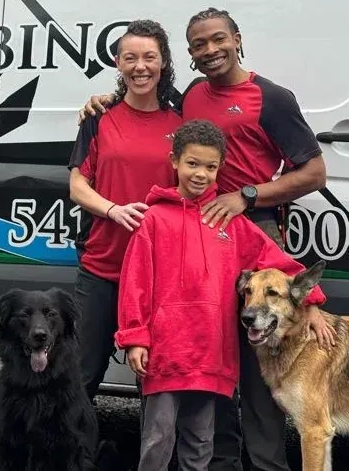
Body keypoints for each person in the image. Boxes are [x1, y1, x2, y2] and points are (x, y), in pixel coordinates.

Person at [79, 7, 331, 471]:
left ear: (238, 38)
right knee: (206, 364)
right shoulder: (192, 95)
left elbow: (314, 172)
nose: (211, 50)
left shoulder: (270, 97)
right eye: (199, 44)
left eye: (219, 39)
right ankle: (220, 461)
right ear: (190, 54)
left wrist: (246, 197)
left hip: (247, 229)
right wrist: (104, 101)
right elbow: (142, 95)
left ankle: (263, 464)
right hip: (192, 229)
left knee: (255, 368)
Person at [114, 120, 334, 471]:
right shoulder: (154, 220)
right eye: (192, 164)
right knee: (157, 439)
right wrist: (135, 338)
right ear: (174, 161)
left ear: (221, 168)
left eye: (211, 167)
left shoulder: (231, 223)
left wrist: (312, 303)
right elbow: (135, 283)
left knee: (201, 441)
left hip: (211, 355)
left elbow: (280, 264)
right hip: (166, 354)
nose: (201, 174)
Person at [68, 19, 183, 403]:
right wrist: (113, 210)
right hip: (103, 268)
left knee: (155, 383)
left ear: (163, 62)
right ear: (118, 63)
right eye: (130, 58)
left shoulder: (181, 124)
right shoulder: (99, 118)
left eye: (149, 57)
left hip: (158, 274)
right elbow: (77, 186)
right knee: (81, 376)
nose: (140, 67)